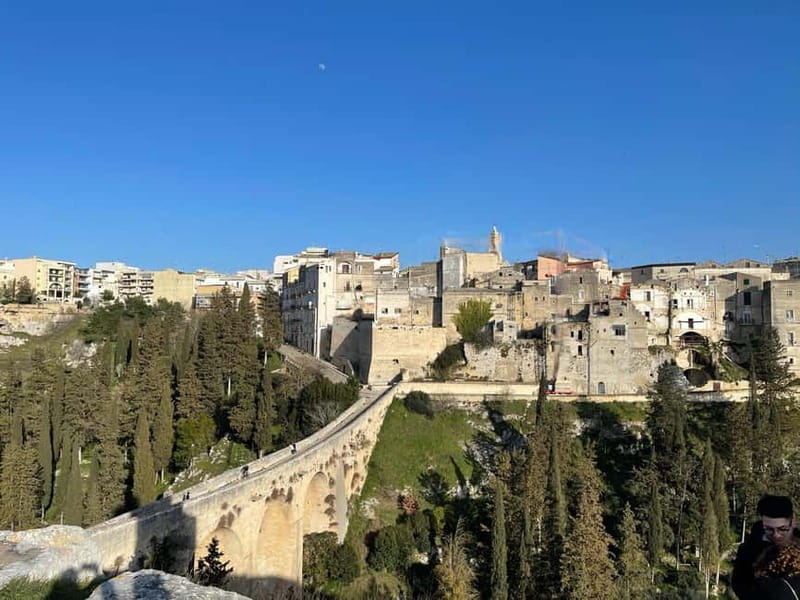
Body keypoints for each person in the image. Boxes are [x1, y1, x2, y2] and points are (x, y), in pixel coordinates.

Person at [733, 495, 800, 599]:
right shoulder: (749, 549)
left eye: (782, 529)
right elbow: (739, 584)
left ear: (792, 522)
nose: (776, 535)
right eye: (769, 529)